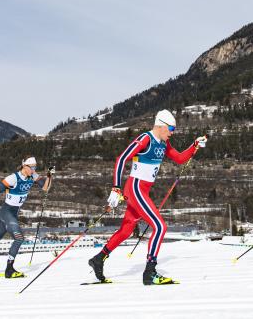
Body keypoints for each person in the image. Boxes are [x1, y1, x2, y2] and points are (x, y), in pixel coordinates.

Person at [88, 110, 207, 284]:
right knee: (160, 227)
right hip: (135, 189)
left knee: (127, 229)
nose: (172, 132)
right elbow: (121, 159)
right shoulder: (146, 138)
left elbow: (180, 159)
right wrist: (116, 188)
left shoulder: (164, 144)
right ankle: (150, 272)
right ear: (161, 126)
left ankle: (99, 259)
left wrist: (195, 145)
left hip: (141, 191)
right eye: (171, 128)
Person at [0, 157, 52, 278]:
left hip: (14, 213)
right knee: (19, 238)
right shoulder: (13, 178)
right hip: (6, 211)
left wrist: (50, 175)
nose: (34, 169)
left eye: (35, 167)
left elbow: (46, 188)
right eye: (32, 167)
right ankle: (9, 269)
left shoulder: (33, 175)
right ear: (25, 166)